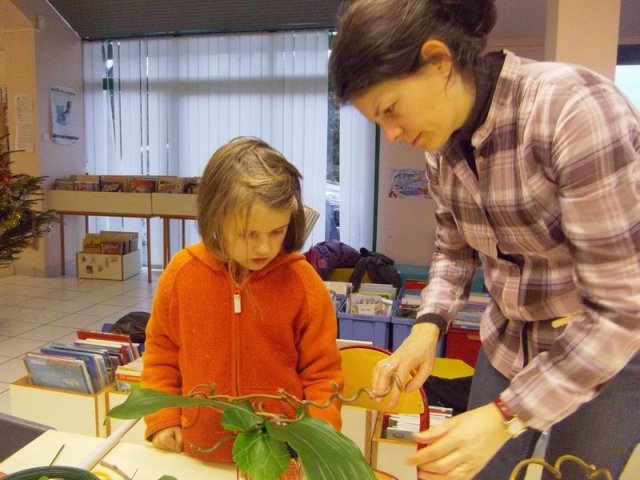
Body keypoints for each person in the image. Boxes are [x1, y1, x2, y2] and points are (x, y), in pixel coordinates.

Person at [329, 0, 640, 479]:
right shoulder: (441, 149)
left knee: (576, 472)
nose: (391, 134)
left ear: (438, 61)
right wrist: (427, 328)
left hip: (606, 349)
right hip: (511, 340)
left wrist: (504, 416)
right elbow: (454, 250)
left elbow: (619, 309)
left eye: (391, 109)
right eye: (378, 122)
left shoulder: (572, 112)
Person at [141, 136, 343, 478]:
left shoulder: (303, 283)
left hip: (279, 457)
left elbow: (323, 375)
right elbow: (162, 354)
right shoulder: (180, 274)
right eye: (248, 234)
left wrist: (315, 438)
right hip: (196, 453)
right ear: (215, 218)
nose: (264, 247)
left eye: (276, 231)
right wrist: (163, 418)